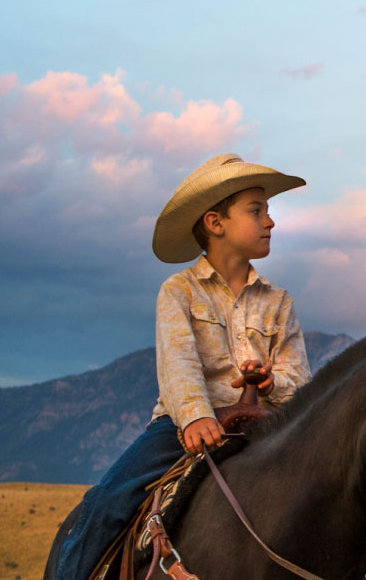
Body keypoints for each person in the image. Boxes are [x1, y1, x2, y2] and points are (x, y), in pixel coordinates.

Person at [52, 154, 312, 580]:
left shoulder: (278, 301)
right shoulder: (179, 292)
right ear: (215, 223)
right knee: (106, 503)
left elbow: (298, 380)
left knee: (334, 502)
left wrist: (271, 381)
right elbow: (178, 364)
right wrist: (195, 416)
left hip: (268, 427)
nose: (271, 222)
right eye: (256, 210)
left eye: (268, 211)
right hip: (184, 429)